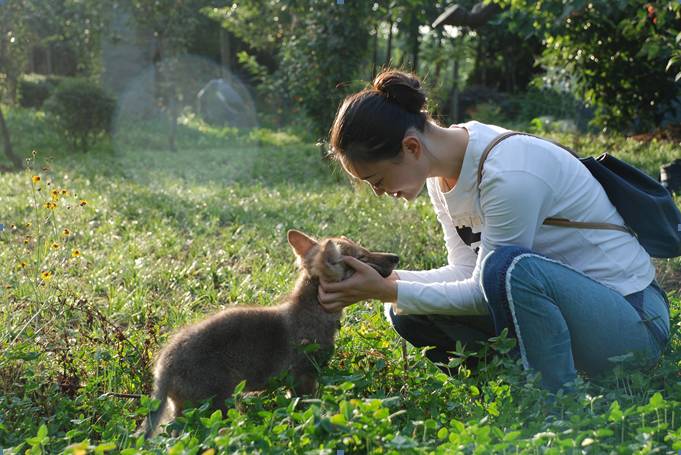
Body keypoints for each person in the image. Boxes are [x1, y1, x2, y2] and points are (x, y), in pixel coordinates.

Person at [318, 69, 670, 393]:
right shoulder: (442, 175)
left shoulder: (509, 173)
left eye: (377, 180)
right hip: (563, 316)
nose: (379, 192)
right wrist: (384, 282)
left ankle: (556, 402)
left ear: (411, 147)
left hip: (634, 324)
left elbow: (491, 286)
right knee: (407, 310)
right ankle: (511, 390)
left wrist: (387, 289)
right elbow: (466, 271)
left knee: (508, 266)